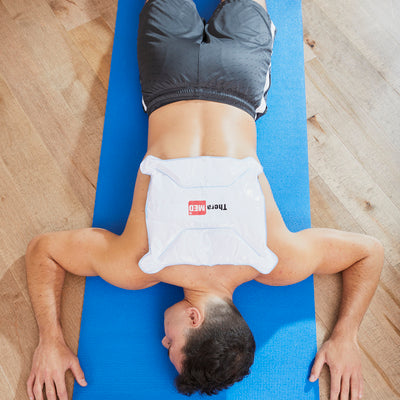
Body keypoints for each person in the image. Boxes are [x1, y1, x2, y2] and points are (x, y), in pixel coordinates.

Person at [25, 0, 384, 399]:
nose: (164, 343)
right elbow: (45, 252)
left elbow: (368, 252)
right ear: (194, 318)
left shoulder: (277, 260)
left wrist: (345, 334)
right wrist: (50, 340)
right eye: (173, 347)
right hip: (168, 76)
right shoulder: (138, 264)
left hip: (239, 78)